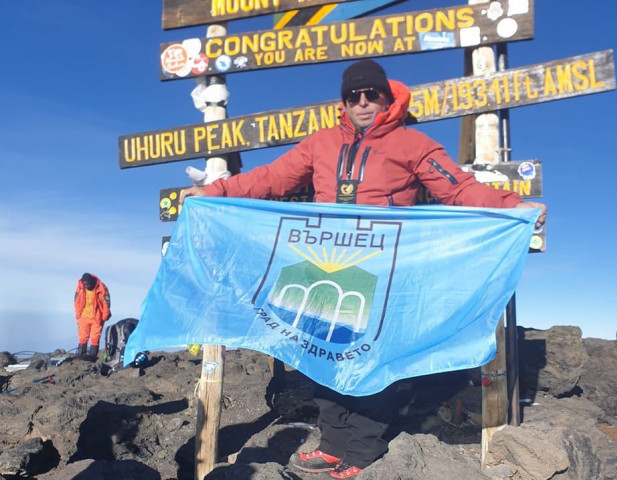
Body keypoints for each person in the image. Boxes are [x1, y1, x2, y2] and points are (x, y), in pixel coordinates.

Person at [180, 59, 546, 478]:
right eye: (354, 96)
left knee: (370, 360)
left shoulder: (412, 144)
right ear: (344, 101)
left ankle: (363, 451)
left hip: (383, 271)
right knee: (322, 356)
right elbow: (270, 179)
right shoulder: (319, 143)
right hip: (321, 268)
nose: (363, 103)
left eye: (372, 94)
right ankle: (334, 444)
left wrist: (510, 206)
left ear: (387, 97)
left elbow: (458, 186)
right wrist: (213, 191)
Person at [74, 273, 111, 361]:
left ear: (91, 282)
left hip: (97, 317)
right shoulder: (80, 287)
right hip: (83, 316)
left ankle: (92, 357)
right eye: (85, 284)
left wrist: (105, 315)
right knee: (83, 336)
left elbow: (106, 302)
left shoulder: (101, 287)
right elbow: (76, 301)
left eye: (88, 284)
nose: (86, 286)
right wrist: (78, 314)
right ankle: (81, 355)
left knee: (95, 336)